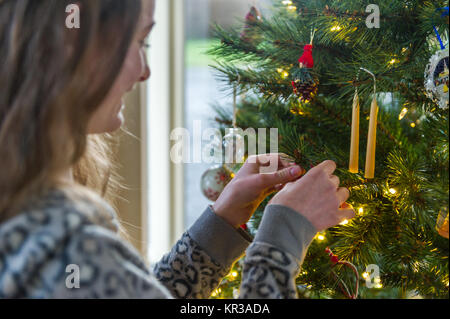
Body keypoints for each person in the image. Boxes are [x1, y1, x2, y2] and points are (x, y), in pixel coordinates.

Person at [0, 0, 355, 299]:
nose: (145, 71)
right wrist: (282, 237)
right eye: (140, 43)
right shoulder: (65, 249)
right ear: (72, 50)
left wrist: (221, 223)